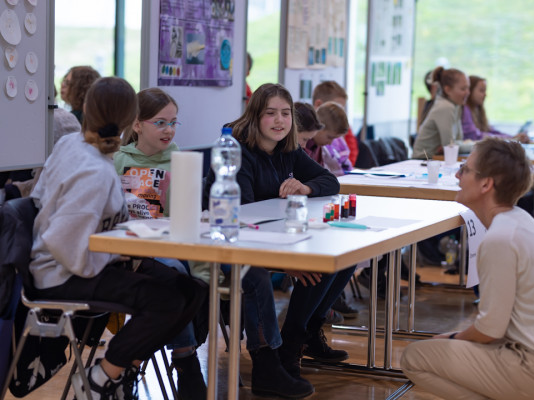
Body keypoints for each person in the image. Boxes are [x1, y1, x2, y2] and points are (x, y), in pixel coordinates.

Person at [29, 77, 206, 399]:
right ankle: (101, 378)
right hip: (64, 272)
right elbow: (66, 246)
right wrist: (121, 256)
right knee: (166, 301)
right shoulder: (94, 170)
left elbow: (40, 198)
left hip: (88, 260)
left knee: (190, 289)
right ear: (131, 123)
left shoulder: (76, 146)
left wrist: (125, 252)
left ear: (87, 109)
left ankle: (123, 370)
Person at [401, 138, 534, 399]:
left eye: (465, 169)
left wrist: (451, 339)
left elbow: (489, 330)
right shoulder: (520, 220)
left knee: (414, 357)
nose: (457, 175)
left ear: (486, 184)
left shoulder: (500, 238)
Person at [202, 83, 349, 399]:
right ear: (255, 116)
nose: (280, 121)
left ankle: (299, 340)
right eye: (270, 113)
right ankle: (266, 364)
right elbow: (242, 219)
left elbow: (330, 181)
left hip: (271, 241)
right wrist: (283, 260)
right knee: (256, 276)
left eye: (285, 113)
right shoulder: (236, 150)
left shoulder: (287, 149)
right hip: (230, 246)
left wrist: (305, 187)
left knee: (342, 257)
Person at [113, 88, 207, 399]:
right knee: (175, 276)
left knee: (185, 275)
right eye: (160, 122)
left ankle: (135, 362)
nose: (169, 130)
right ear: (137, 125)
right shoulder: (119, 161)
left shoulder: (181, 161)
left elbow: (188, 215)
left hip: (170, 245)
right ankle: (186, 359)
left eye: (173, 122)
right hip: (130, 251)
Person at [412, 66, 474, 159]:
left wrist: (465, 145)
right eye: (463, 89)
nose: (468, 92)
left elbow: (458, 140)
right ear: (447, 90)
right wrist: (475, 146)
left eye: (468, 88)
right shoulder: (445, 107)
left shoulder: (456, 105)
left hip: (436, 158)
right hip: (423, 160)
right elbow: (450, 146)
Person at [462, 75, 530, 143]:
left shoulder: (478, 110)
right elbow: (475, 136)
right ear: (470, 91)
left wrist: (513, 137)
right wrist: (510, 138)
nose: (485, 94)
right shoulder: (465, 109)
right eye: (481, 91)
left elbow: (491, 131)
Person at [312, 80, 359, 166]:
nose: (340, 112)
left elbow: (351, 155)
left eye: (342, 109)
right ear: (319, 104)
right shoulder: (311, 136)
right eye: (335, 107)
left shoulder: (343, 128)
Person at [304, 101, 352, 177]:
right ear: (319, 126)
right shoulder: (303, 143)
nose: (330, 143)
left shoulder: (318, 145)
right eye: (329, 137)